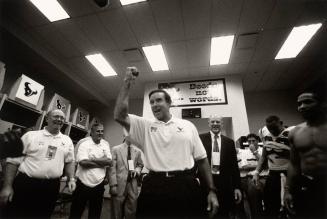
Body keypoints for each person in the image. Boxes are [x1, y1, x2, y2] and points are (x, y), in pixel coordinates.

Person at [114, 67, 218, 218]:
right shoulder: (145, 125)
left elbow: (202, 161)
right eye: (151, 102)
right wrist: (127, 81)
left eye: (158, 100)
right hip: (154, 187)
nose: (154, 104)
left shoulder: (188, 126)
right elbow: (119, 115)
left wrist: (211, 191)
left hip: (186, 185)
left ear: (170, 103)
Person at [0, 109, 76, 218]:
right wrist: (7, 186)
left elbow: (70, 161)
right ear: (46, 119)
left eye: (62, 118)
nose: (59, 119)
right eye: (56, 116)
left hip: (51, 187)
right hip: (26, 184)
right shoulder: (30, 136)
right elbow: (13, 162)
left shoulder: (67, 140)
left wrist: (71, 178)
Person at [284, 86, 327, 219]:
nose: (302, 106)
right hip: (307, 185)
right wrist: (288, 191)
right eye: (299, 104)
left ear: (322, 104)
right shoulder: (295, 132)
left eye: (308, 102)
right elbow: (294, 164)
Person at [199, 115, 242, 218]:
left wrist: (237, 187)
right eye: (212, 122)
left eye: (217, 122)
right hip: (205, 181)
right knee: (207, 211)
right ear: (209, 124)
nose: (215, 124)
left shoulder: (229, 142)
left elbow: (234, 167)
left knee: (224, 212)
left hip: (224, 183)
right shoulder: (200, 139)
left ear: (221, 124)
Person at [253, 115, 293, 218]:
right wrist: (257, 172)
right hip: (273, 174)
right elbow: (264, 156)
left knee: (290, 205)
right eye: (270, 128)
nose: (272, 131)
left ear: (281, 123)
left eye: (275, 128)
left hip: (289, 173)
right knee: (270, 205)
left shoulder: (292, 132)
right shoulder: (264, 132)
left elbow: (297, 158)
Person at [69, 123, 112, 219]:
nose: (100, 133)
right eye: (98, 131)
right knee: (76, 213)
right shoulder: (84, 143)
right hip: (82, 183)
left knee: (95, 214)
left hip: (99, 184)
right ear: (91, 132)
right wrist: (102, 161)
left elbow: (109, 162)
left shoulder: (105, 144)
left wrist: (91, 159)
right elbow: (83, 163)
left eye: (102, 131)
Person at [109, 136, 144, 219]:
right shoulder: (116, 149)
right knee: (116, 212)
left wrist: (137, 170)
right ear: (125, 135)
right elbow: (111, 168)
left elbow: (140, 165)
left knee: (131, 211)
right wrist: (113, 185)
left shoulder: (137, 151)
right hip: (118, 184)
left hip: (132, 184)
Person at [237, 133, 266, 219]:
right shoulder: (244, 152)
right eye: (249, 141)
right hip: (246, 178)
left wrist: (254, 152)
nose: (251, 143)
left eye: (253, 141)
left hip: (262, 177)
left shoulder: (262, 150)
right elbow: (242, 166)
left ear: (258, 141)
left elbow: (264, 164)